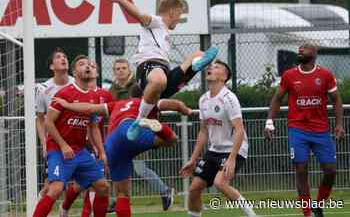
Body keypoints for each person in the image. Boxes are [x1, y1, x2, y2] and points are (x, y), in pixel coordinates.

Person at [52, 84, 192, 217]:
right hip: (131, 129)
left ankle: (67, 208)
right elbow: (175, 104)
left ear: (130, 95)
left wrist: (67, 105)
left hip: (113, 142)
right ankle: (160, 128)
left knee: (121, 193)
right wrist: (185, 110)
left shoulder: (117, 104)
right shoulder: (147, 102)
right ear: (146, 94)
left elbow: (90, 108)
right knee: (172, 139)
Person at [105, 0, 219, 141]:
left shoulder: (165, 32)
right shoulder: (156, 22)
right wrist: (120, 0)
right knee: (159, 80)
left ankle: (196, 64)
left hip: (164, 74)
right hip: (149, 68)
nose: (179, 19)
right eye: (179, 15)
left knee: (198, 54)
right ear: (172, 12)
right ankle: (139, 121)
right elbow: (138, 15)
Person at [264, 44, 344, 217]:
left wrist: (339, 124)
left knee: (330, 170)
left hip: (321, 130)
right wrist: (269, 122)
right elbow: (277, 98)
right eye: (299, 49)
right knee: (301, 170)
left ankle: (318, 204)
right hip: (298, 130)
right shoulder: (289, 75)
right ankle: (308, 214)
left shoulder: (325, 75)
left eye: (305, 49)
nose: (301, 50)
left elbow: (336, 100)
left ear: (314, 54)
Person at [33, 55, 110, 217]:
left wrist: (101, 151)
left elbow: (93, 126)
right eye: (82, 64)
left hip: (80, 151)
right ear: (75, 73)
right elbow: (48, 123)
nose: (87, 67)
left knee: (103, 187)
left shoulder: (94, 97)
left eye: (89, 64)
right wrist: (63, 145)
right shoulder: (65, 93)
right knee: (55, 189)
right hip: (59, 149)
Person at [180, 61, 256, 217]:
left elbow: (240, 129)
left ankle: (252, 215)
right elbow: (203, 132)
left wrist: (232, 159)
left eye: (216, 67)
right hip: (215, 150)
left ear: (224, 77)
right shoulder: (203, 100)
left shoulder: (229, 98)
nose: (210, 68)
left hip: (234, 148)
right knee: (194, 189)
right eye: (210, 67)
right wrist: (193, 160)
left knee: (219, 183)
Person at [108, 58, 175, 211]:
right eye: (117, 69)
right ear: (114, 71)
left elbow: (154, 101)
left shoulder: (139, 85)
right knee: (117, 166)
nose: (120, 71)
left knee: (140, 168)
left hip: (138, 131)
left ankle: (164, 191)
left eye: (123, 68)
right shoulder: (112, 89)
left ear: (129, 70)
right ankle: (118, 200)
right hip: (120, 134)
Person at [59, 61, 113, 217]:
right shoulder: (72, 92)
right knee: (80, 186)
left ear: (97, 72)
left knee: (97, 186)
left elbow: (101, 123)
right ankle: (65, 206)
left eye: (93, 66)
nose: (89, 68)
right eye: (85, 65)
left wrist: (102, 147)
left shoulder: (105, 95)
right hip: (82, 145)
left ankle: (74, 210)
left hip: (97, 143)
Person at [35, 47, 74, 199]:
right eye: (58, 57)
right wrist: (44, 143)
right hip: (55, 143)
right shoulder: (43, 89)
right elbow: (40, 119)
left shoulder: (76, 83)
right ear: (52, 66)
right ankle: (38, 204)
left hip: (78, 140)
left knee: (91, 183)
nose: (63, 59)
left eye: (64, 56)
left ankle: (66, 211)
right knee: (52, 186)